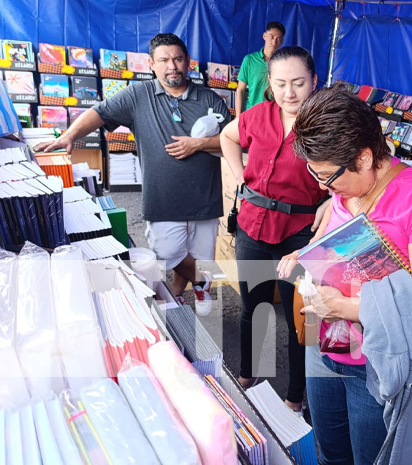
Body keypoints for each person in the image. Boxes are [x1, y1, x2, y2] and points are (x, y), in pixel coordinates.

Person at [277, 85, 412, 464]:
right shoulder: (344, 188)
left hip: (377, 364)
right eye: (315, 173)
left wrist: (346, 307)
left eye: (328, 176)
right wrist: (309, 253)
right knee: (330, 453)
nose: (321, 185)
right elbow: (339, 236)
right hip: (326, 346)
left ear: (364, 157)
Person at [34, 33, 231, 309]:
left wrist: (199, 144)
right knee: (168, 252)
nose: (171, 66)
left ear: (188, 62)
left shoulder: (210, 99)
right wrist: (69, 136)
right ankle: (202, 282)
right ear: (151, 64)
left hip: (205, 199)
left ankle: (180, 295)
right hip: (163, 199)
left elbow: (232, 139)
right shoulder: (139, 95)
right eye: (164, 60)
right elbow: (99, 112)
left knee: (197, 254)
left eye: (177, 58)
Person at [220, 46, 329, 414]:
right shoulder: (259, 114)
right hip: (252, 227)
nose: (290, 93)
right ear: (269, 84)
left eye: (299, 83)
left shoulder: (327, 122)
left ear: (315, 81)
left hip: (300, 235)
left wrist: (332, 201)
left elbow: (362, 170)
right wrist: (239, 176)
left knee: (302, 320)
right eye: (281, 84)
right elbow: (227, 136)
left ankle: (295, 397)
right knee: (255, 307)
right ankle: (250, 373)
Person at [235, 21, 285, 113]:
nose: (274, 42)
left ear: (282, 42)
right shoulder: (249, 60)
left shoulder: (282, 63)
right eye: (271, 37)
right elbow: (240, 89)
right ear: (264, 36)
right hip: (252, 112)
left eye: (278, 39)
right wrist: (238, 116)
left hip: (274, 115)